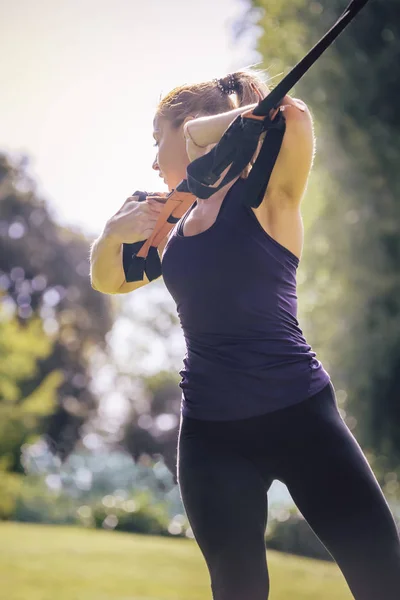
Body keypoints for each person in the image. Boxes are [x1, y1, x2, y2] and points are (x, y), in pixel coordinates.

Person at [90, 69, 400, 599]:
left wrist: (191, 137)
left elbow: (293, 114)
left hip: (301, 415)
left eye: (158, 139)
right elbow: (109, 279)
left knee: (383, 575)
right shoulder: (171, 222)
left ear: (191, 128)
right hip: (214, 438)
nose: (153, 159)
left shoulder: (266, 194)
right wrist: (111, 234)